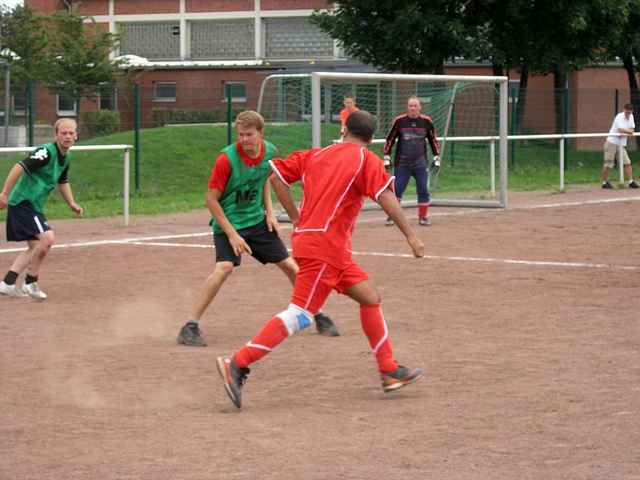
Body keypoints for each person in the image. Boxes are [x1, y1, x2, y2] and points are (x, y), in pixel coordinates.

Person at [216, 110, 425, 409]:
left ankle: (389, 369)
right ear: (371, 137)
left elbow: (275, 175)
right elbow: (386, 196)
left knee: (369, 297)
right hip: (324, 249)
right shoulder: (367, 160)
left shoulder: (316, 154)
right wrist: (411, 236)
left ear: (344, 129)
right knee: (300, 314)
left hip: (329, 248)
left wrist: (296, 218)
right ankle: (237, 363)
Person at [177, 110, 339, 347]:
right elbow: (210, 200)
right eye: (241, 134)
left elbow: (265, 179)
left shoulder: (270, 152)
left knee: (290, 265)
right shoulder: (227, 159)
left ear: (261, 134)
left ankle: (318, 314)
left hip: (256, 221)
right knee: (224, 268)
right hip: (230, 222)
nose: (244, 139)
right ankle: (190, 325)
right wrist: (232, 234)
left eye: (249, 134)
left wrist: (270, 212)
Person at [0, 118, 83, 299]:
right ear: (56, 135)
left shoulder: (66, 158)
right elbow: (19, 167)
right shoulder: (46, 152)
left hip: (33, 204)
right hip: (23, 202)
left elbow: (63, 181)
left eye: (71, 133)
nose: (67, 136)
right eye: (64, 133)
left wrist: (71, 203)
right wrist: (4, 194)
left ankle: (7, 283)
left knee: (36, 246)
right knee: (47, 238)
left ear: (76, 135)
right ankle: (31, 282)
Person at [383, 96, 440, 226]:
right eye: (410, 106)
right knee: (397, 190)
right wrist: (386, 155)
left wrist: (437, 156)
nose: (413, 108)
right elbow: (390, 139)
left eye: (415, 106)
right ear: (407, 107)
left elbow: (433, 140)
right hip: (402, 163)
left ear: (420, 107)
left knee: (423, 189)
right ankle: (392, 216)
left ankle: (423, 217)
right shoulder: (399, 121)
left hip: (420, 163)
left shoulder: (427, 122)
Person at [602, 103, 639, 189]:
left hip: (621, 144)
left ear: (632, 112)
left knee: (627, 162)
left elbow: (632, 129)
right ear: (624, 110)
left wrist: (628, 131)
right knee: (608, 163)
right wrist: (629, 131)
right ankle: (604, 182)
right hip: (612, 142)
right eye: (627, 112)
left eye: (629, 113)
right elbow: (620, 129)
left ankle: (631, 181)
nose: (628, 114)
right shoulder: (619, 116)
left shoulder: (631, 117)